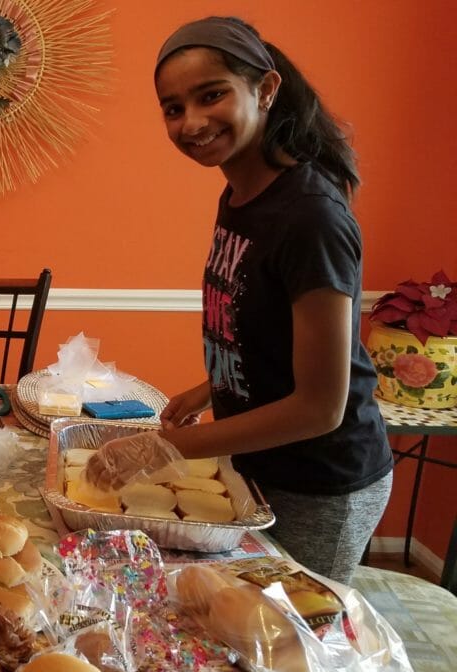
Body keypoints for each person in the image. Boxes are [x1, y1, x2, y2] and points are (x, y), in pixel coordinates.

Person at [87, 17, 393, 585]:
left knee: (290, 639)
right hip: (258, 463)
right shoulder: (241, 194)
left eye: (211, 96)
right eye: (173, 108)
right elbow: (265, 323)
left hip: (318, 481)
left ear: (266, 89)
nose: (192, 122)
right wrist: (211, 387)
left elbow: (320, 406)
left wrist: (167, 448)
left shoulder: (310, 217)